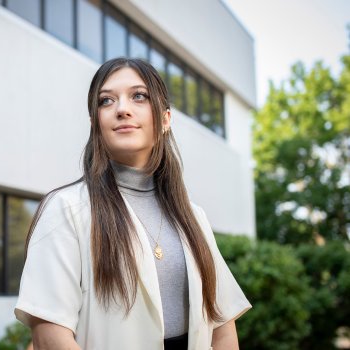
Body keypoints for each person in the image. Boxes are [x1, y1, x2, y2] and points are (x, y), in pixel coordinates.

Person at [14, 57, 251, 350]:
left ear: (165, 119)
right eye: (106, 101)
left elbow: (222, 326)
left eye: (139, 96)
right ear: (94, 124)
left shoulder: (193, 215)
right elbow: (51, 336)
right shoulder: (65, 209)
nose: (122, 109)